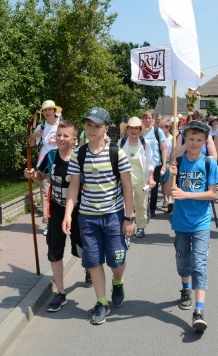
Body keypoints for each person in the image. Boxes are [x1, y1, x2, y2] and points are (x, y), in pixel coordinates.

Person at [63, 107, 135, 326]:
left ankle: (118, 280)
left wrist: (129, 218)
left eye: (96, 126)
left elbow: (127, 186)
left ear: (106, 128)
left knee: (117, 261)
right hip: (88, 217)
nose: (91, 129)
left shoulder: (116, 153)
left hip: (113, 216)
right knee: (94, 261)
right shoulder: (79, 154)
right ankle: (101, 302)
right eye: (88, 125)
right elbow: (74, 186)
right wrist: (68, 214)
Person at [24, 120, 89, 312]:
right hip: (57, 210)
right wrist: (32, 175)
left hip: (79, 211)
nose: (60, 138)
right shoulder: (51, 156)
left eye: (65, 135)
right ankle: (60, 293)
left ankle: (89, 268)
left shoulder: (80, 159)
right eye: (58, 135)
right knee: (54, 252)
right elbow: (42, 177)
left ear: (74, 140)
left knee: (81, 250)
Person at [164, 121, 218, 332]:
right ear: (184, 140)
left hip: (201, 222)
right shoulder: (177, 162)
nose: (195, 143)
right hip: (180, 221)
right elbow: (168, 192)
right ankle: (185, 288)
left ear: (205, 141)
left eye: (199, 140)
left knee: (199, 263)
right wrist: (171, 176)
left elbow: (212, 193)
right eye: (191, 139)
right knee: (183, 262)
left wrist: (187, 194)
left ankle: (199, 310)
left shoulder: (209, 164)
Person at [28, 100, 63, 236]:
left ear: (54, 111)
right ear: (43, 113)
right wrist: (34, 136)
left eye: (50, 109)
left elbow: (73, 143)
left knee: (61, 193)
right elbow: (31, 145)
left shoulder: (62, 125)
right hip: (44, 165)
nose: (48, 112)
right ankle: (48, 223)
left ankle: (62, 220)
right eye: (45, 110)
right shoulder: (41, 127)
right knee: (45, 194)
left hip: (60, 164)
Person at [119, 117, 156, 238]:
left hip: (141, 180)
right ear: (127, 129)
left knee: (141, 205)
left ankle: (141, 227)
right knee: (125, 206)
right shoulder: (121, 143)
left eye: (136, 128)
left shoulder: (145, 144)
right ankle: (126, 226)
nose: (133, 130)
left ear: (140, 130)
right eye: (131, 128)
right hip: (126, 182)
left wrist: (151, 178)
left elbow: (150, 162)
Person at [141, 109, 167, 218]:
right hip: (144, 164)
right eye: (145, 118)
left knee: (154, 188)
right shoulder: (140, 132)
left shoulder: (158, 131)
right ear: (143, 119)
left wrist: (164, 165)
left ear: (152, 120)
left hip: (156, 164)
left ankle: (152, 209)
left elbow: (163, 148)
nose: (147, 120)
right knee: (143, 187)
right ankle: (143, 208)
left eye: (149, 118)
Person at [161, 120, 174, 208]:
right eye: (161, 127)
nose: (162, 129)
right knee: (162, 181)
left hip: (171, 162)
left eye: (164, 127)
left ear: (168, 128)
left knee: (169, 180)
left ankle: (170, 199)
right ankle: (165, 198)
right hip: (163, 162)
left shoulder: (172, 138)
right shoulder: (161, 138)